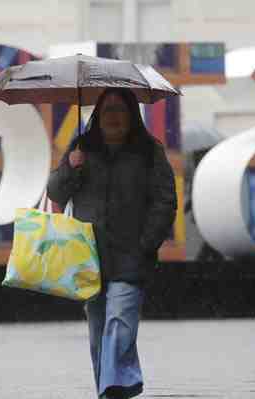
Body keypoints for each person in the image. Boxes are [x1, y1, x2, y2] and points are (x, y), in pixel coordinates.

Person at [47, 88, 177, 399]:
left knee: (119, 324)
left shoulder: (149, 151)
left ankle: (114, 390)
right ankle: (108, 390)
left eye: (120, 109)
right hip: (89, 258)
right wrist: (70, 168)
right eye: (108, 110)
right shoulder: (81, 148)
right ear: (98, 115)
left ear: (132, 115)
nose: (114, 116)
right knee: (97, 335)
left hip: (132, 257)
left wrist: (147, 243)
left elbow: (165, 200)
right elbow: (56, 192)